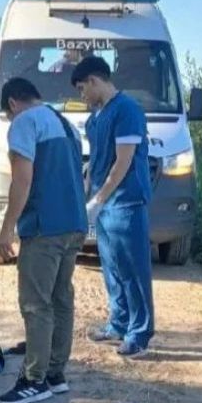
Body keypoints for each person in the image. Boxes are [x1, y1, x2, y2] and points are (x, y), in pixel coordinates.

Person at [0, 77, 88, 403]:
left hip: (45, 227)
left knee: (36, 303)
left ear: (11, 104)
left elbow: (22, 178)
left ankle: (34, 379)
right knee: (61, 298)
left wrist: (6, 229)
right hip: (74, 223)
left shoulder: (24, 122)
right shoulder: (65, 124)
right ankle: (54, 373)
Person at [71, 56, 154, 358]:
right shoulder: (96, 118)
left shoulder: (127, 110)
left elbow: (123, 161)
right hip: (105, 205)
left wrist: (100, 198)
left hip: (126, 201)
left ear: (94, 80)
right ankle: (118, 323)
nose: (82, 96)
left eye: (82, 89)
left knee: (133, 269)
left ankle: (139, 332)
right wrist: (86, 196)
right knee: (112, 267)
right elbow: (96, 160)